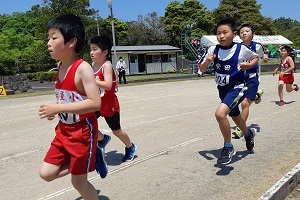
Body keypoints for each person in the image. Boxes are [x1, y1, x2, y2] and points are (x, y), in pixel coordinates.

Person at [38, 14, 101, 200]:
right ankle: (93, 156)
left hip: (82, 133)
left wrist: (58, 109)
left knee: (78, 182)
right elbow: (68, 99)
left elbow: (95, 103)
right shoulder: (60, 66)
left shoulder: (83, 68)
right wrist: (54, 106)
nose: (48, 43)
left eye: (54, 37)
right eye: (48, 37)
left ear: (71, 41)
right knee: (46, 174)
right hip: (63, 132)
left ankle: (91, 155)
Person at [199, 19, 259, 165]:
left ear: (234, 34)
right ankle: (248, 134)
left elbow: (255, 57)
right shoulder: (213, 50)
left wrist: (248, 65)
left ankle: (228, 147)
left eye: (225, 32)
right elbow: (201, 70)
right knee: (236, 117)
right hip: (222, 90)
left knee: (220, 114)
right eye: (218, 33)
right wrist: (207, 61)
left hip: (237, 88)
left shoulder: (241, 49)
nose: (221, 36)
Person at [89, 35, 136, 177]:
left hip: (109, 103)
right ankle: (102, 139)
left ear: (105, 52)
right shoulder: (93, 65)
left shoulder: (107, 65)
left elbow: (108, 85)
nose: (91, 52)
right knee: (87, 123)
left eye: (95, 49)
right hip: (96, 102)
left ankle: (130, 147)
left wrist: (92, 80)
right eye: (90, 49)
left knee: (116, 130)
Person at [232, 23, 269, 138]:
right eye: (241, 31)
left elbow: (262, 55)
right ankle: (256, 95)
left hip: (252, 77)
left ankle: (240, 128)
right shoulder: (237, 47)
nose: (243, 33)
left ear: (253, 34)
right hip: (240, 78)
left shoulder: (257, 46)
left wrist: (265, 57)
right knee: (236, 102)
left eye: (247, 31)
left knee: (245, 103)